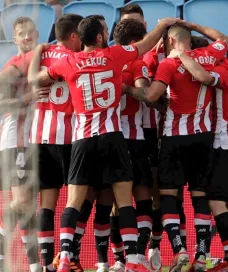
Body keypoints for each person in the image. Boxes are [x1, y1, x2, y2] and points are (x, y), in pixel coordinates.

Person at [29, 14, 179, 272]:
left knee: (74, 201)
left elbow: (36, 80)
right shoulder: (114, 55)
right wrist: (161, 26)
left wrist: (36, 57)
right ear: (99, 36)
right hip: (112, 136)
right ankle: (133, 260)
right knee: (123, 201)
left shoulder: (68, 62)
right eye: (106, 30)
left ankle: (64, 257)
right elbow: (144, 44)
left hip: (83, 140)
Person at [124, 20, 228, 272]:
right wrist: (192, 25)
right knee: (199, 196)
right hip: (203, 137)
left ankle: (179, 248)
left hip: (174, 137)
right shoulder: (207, 57)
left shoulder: (168, 63)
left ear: (170, 41)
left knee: (169, 195)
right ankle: (202, 257)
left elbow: (150, 97)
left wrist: (127, 88)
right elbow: (223, 38)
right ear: (189, 39)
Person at [170, 49, 228, 272]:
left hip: (224, 143)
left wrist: (180, 55)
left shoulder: (219, 71)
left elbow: (202, 76)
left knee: (216, 201)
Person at [27, 14, 84, 272]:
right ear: (74, 35)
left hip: (40, 136)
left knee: (46, 204)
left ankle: (46, 263)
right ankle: (67, 256)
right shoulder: (76, 58)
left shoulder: (43, 56)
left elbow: (30, 80)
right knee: (78, 199)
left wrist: (38, 50)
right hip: (69, 136)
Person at [109, 18, 161, 272]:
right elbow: (145, 94)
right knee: (142, 199)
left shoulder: (104, 59)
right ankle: (137, 257)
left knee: (112, 204)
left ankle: (114, 259)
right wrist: (132, 89)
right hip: (134, 139)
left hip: (107, 139)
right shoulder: (136, 62)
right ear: (134, 42)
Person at [0, 16, 40, 272]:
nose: (27, 36)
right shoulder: (18, 62)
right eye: (22, 33)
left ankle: (34, 266)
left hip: (31, 139)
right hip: (14, 138)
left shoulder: (37, 59)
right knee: (20, 202)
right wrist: (30, 96)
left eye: (30, 32)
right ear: (15, 39)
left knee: (28, 204)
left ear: (37, 33)